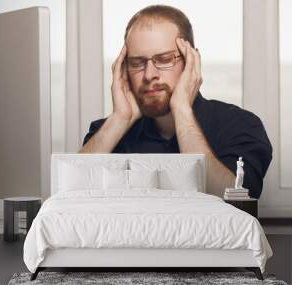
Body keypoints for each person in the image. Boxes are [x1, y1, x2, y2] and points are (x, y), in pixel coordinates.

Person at [79, 5, 272, 199]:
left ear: (191, 62)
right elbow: (70, 199)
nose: (149, 75)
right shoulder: (107, 132)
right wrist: (119, 119)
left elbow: (237, 204)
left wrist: (181, 110)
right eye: (137, 63)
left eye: (164, 59)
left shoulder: (240, 125)